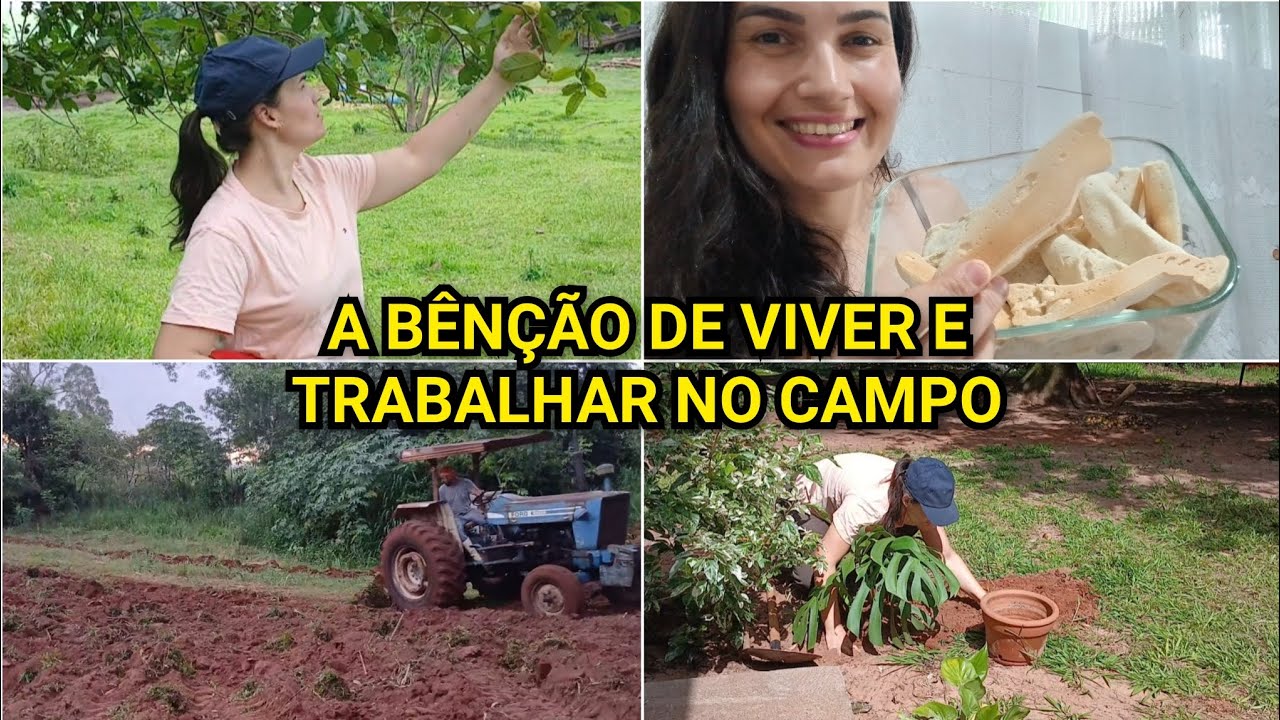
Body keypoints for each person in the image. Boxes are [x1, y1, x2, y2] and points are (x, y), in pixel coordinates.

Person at [154, 17, 537, 359]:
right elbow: (173, 355)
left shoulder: (323, 180)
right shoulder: (226, 233)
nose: (316, 94)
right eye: (302, 85)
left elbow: (417, 157)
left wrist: (499, 78)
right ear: (268, 115)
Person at [644, 2, 1008, 357]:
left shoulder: (936, 207)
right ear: (709, 67)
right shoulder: (664, 263)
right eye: (772, 38)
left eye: (862, 39)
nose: (830, 86)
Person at [793, 453, 986, 651]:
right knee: (807, 576)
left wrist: (983, 598)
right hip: (806, 502)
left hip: (853, 503)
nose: (934, 520)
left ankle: (842, 536)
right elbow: (823, 558)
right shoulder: (868, 505)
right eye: (931, 514)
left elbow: (947, 556)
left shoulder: (917, 497)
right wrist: (834, 628)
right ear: (907, 500)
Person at [437, 467, 487, 538]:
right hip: (456, 516)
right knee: (458, 531)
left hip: (468, 512)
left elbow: (477, 492)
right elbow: (443, 506)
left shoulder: (466, 482)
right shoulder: (442, 490)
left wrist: (479, 493)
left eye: (445, 477)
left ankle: (491, 540)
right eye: (441, 478)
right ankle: (469, 547)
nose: (443, 480)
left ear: (452, 475)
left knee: (486, 521)